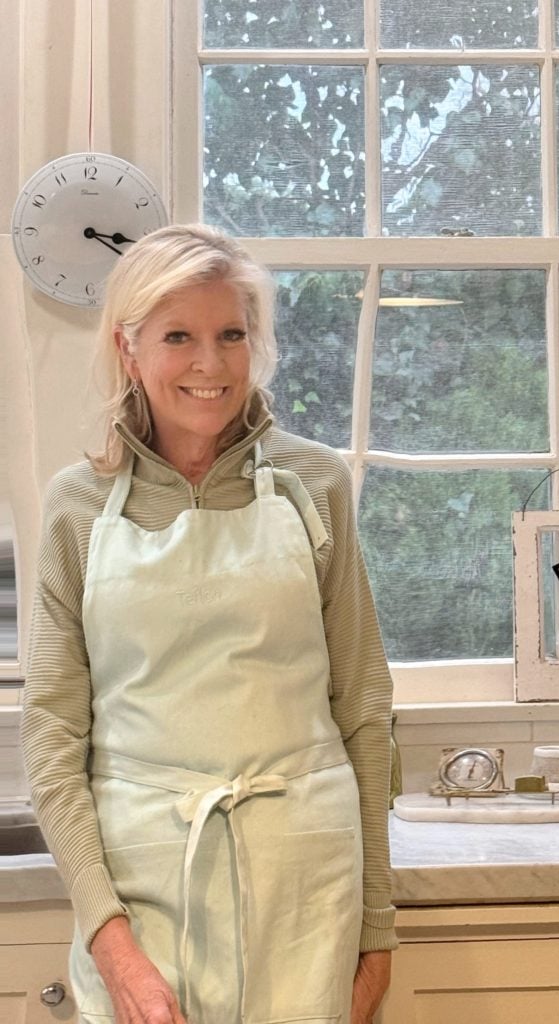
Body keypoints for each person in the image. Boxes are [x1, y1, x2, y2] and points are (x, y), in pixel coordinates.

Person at [21, 224, 396, 1024]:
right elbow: (52, 737)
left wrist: (375, 929)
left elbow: (363, 708)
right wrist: (111, 945)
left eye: (231, 334)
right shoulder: (77, 506)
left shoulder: (314, 483)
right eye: (178, 337)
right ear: (127, 349)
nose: (211, 364)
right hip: (141, 892)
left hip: (306, 889)